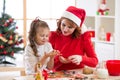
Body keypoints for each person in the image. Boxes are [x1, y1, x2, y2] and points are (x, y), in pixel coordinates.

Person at [49, 6, 98, 71]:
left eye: (70, 27)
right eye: (63, 25)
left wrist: (81, 58)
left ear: (76, 28)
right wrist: (59, 60)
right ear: (60, 22)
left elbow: (95, 62)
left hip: (77, 73)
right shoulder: (53, 36)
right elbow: (47, 62)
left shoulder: (83, 38)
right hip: (58, 74)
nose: (65, 29)